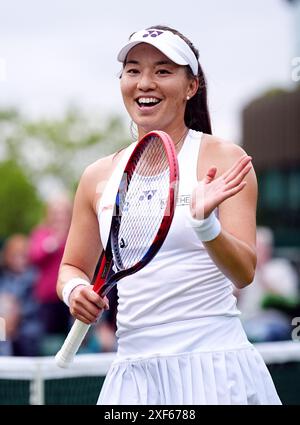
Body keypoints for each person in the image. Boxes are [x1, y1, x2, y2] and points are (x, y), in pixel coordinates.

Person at [56, 25, 281, 404]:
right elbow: (72, 266)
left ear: (190, 86)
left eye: (162, 71)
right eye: (133, 70)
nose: (145, 82)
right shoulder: (97, 176)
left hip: (216, 369)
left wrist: (205, 225)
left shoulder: (226, 159)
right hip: (133, 373)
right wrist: (74, 290)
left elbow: (244, 272)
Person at [237, 226, 299, 342]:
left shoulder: (281, 267)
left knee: (261, 333)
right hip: (244, 320)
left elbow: (289, 300)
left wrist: (261, 273)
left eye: (259, 247)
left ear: (268, 248)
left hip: (272, 320)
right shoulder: (242, 269)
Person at [28, 194, 72, 342]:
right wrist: (53, 242)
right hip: (48, 299)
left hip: (71, 296)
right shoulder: (41, 233)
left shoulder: (74, 234)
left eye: (63, 212)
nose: (59, 217)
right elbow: (34, 257)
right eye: (56, 213)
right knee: (50, 340)